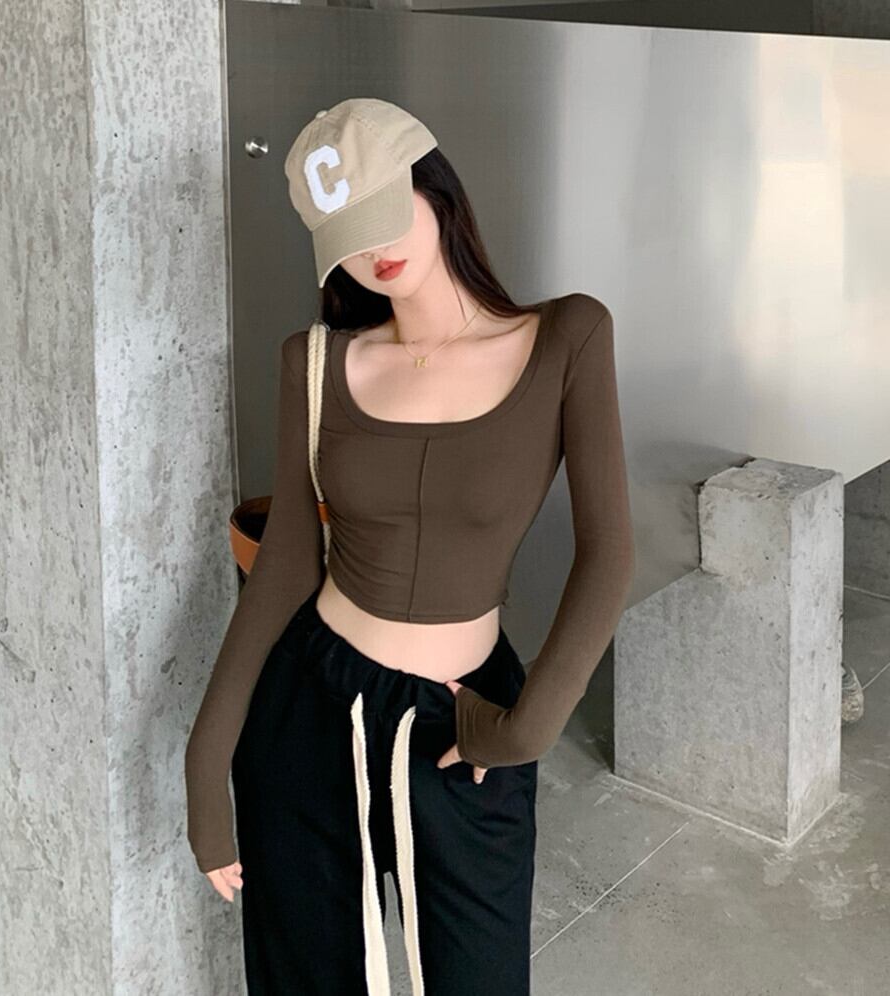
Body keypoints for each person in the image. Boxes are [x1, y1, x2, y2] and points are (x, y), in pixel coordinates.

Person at [184, 97, 636, 995]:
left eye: (387, 216)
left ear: (437, 190)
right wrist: (206, 761)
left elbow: (609, 551)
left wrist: (527, 727)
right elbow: (286, 566)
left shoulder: (566, 337)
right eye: (348, 238)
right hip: (309, 707)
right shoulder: (316, 362)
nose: (375, 252)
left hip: (465, 719)